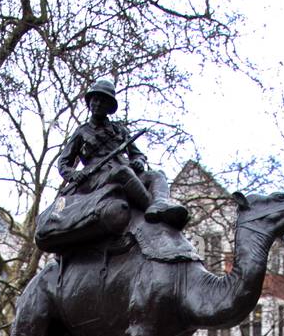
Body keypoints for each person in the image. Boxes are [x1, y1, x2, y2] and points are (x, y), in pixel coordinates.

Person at [56, 76, 189, 230]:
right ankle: (155, 211)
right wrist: (73, 174)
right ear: (90, 102)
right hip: (96, 177)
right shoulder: (81, 132)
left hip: (126, 171)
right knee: (122, 172)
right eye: (95, 99)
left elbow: (137, 153)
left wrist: (139, 161)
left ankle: (160, 203)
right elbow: (63, 162)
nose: (98, 104)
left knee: (156, 175)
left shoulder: (119, 130)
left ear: (109, 106)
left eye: (103, 101)